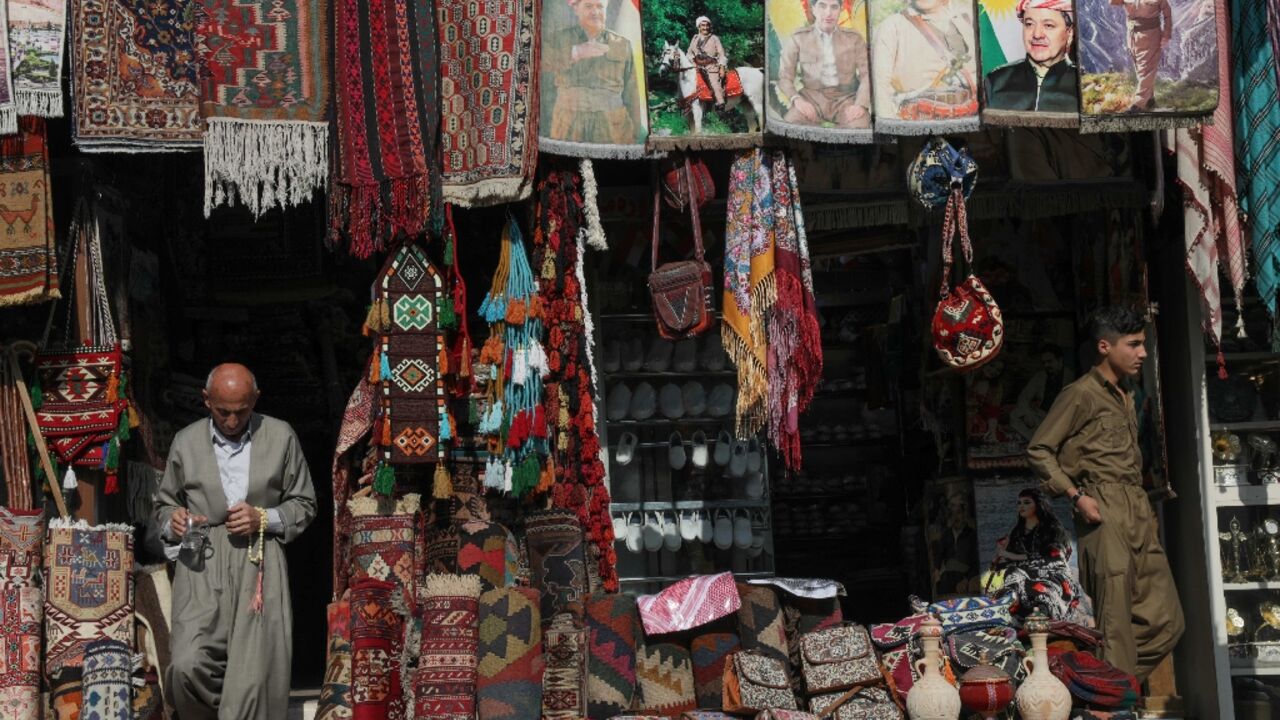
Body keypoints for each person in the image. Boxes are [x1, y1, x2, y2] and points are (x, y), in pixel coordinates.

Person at [151, 363, 317, 719]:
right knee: (185, 666)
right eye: (222, 411)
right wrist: (174, 521)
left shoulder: (280, 435)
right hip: (201, 564)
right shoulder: (186, 440)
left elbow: (304, 503)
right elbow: (164, 505)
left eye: (241, 411)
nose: (231, 421)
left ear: (256, 400)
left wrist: (265, 517)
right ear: (206, 400)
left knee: (252, 679)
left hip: (258, 562)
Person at [1027, 307, 1183, 681]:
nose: (1142, 353)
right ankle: (1114, 700)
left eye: (1143, 344)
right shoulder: (1080, 394)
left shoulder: (1125, 395)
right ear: (1104, 346)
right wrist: (1075, 494)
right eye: (1133, 345)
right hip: (1102, 504)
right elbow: (1039, 449)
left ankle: (1100, 681)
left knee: (1167, 619)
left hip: (1136, 506)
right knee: (1116, 622)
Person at [542, 0, 645, 144]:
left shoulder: (622, 44)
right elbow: (540, 64)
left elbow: (631, 92)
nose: (595, 12)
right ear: (576, 9)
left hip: (612, 125)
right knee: (567, 165)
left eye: (599, 7)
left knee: (609, 166)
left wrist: (635, 134)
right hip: (569, 123)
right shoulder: (559, 39)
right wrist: (575, 52)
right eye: (589, 6)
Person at [871, 0, 978, 121]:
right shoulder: (893, 26)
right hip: (916, 124)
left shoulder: (967, 20)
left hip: (971, 120)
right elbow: (880, 87)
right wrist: (891, 128)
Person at [992, 488, 1084, 621]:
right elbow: (1005, 559)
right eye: (1019, 503)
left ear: (1038, 504)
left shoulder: (1052, 529)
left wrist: (1012, 556)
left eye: (1026, 502)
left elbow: (1054, 557)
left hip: (1052, 573)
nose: (1021, 506)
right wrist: (999, 556)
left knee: (1039, 592)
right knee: (1011, 583)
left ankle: (1045, 617)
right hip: (1023, 572)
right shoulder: (1016, 532)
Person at [776, 0, 870, 128]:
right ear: (813, 8)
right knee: (791, 124)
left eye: (834, 7)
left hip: (845, 98)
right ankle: (807, 149)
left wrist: (860, 104)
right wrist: (797, 100)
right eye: (822, 6)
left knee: (859, 125)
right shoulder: (798, 37)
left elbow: (867, 75)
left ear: (841, 9)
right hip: (811, 98)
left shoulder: (854, 38)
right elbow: (784, 77)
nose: (828, 13)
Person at [985, 0, 1078, 113]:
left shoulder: (1084, 86)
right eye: (1029, 24)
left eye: (1048, 25)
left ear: (1070, 33)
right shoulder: (996, 81)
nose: (1037, 34)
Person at [1111, 0, 1172, 111]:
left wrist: (1166, 34)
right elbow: (1113, 2)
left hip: (1150, 35)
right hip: (1132, 36)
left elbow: (1167, 13)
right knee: (1140, 68)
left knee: (1146, 68)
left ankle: (1139, 103)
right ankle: (1149, 99)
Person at [1011, 343, 1072, 440]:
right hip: (1042, 417)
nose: (1046, 365)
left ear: (1060, 360)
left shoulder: (1071, 377)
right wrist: (1026, 413)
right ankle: (1036, 441)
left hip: (1062, 420)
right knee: (1015, 415)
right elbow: (1024, 397)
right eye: (1044, 362)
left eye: (1049, 361)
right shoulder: (1040, 376)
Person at [688, 16, 728, 109]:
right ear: (699, 27)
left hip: (711, 67)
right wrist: (691, 63)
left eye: (707, 25)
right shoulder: (694, 38)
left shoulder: (714, 38)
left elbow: (721, 54)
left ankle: (720, 103)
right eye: (703, 25)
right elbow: (689, 54)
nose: (705, 28)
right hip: (697, 66)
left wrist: (722, 67)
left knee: (714, 82)